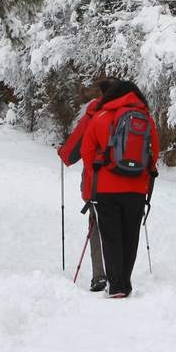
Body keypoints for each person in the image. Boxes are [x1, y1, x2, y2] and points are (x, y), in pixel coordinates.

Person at [81, 80, 159, 298]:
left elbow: (87, 151)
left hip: (106, 188)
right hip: (136, 189)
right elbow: (154, 153)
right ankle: (125, 282)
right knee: (130, 235)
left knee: (111, 236)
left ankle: (116, 285)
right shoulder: (146, 119)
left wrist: (96, 175)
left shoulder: (101, 116)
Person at [58, 77, 118, 292]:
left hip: (97, 183)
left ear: (101, 93)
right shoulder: (131, 114)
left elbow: (70, 154)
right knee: (121, 228)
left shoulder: (94, 114)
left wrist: (61, 151)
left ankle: (100, 276)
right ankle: (120, 276)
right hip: (128, 184)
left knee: (96, 227)